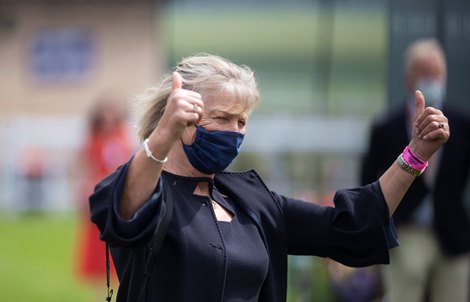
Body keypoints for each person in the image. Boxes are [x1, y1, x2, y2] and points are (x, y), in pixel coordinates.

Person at [89, 54, 449, 302]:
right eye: (222, 117)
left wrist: (414, 156)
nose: (234, 131)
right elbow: (121, 208)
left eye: (241, 121)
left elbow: (349, 224)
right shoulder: (151, 194)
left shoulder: (250, 198)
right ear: (183, 120)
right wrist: (163, 135)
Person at [361, 39, 470, 302]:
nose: (433, 80)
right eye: (425, 73)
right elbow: (366, 182)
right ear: (410, 78)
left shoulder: (462, 125)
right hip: (406, 230)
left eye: (437, 73)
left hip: (451, 232)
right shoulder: (387, 128)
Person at [76, 95, 134, 298]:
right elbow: (86, 166)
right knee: (96, 246)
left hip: (117, 197)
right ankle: (99, 291)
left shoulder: (123, 138)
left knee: (118, 243)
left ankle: (119, 287)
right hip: (99, 196)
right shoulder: (94, 140)